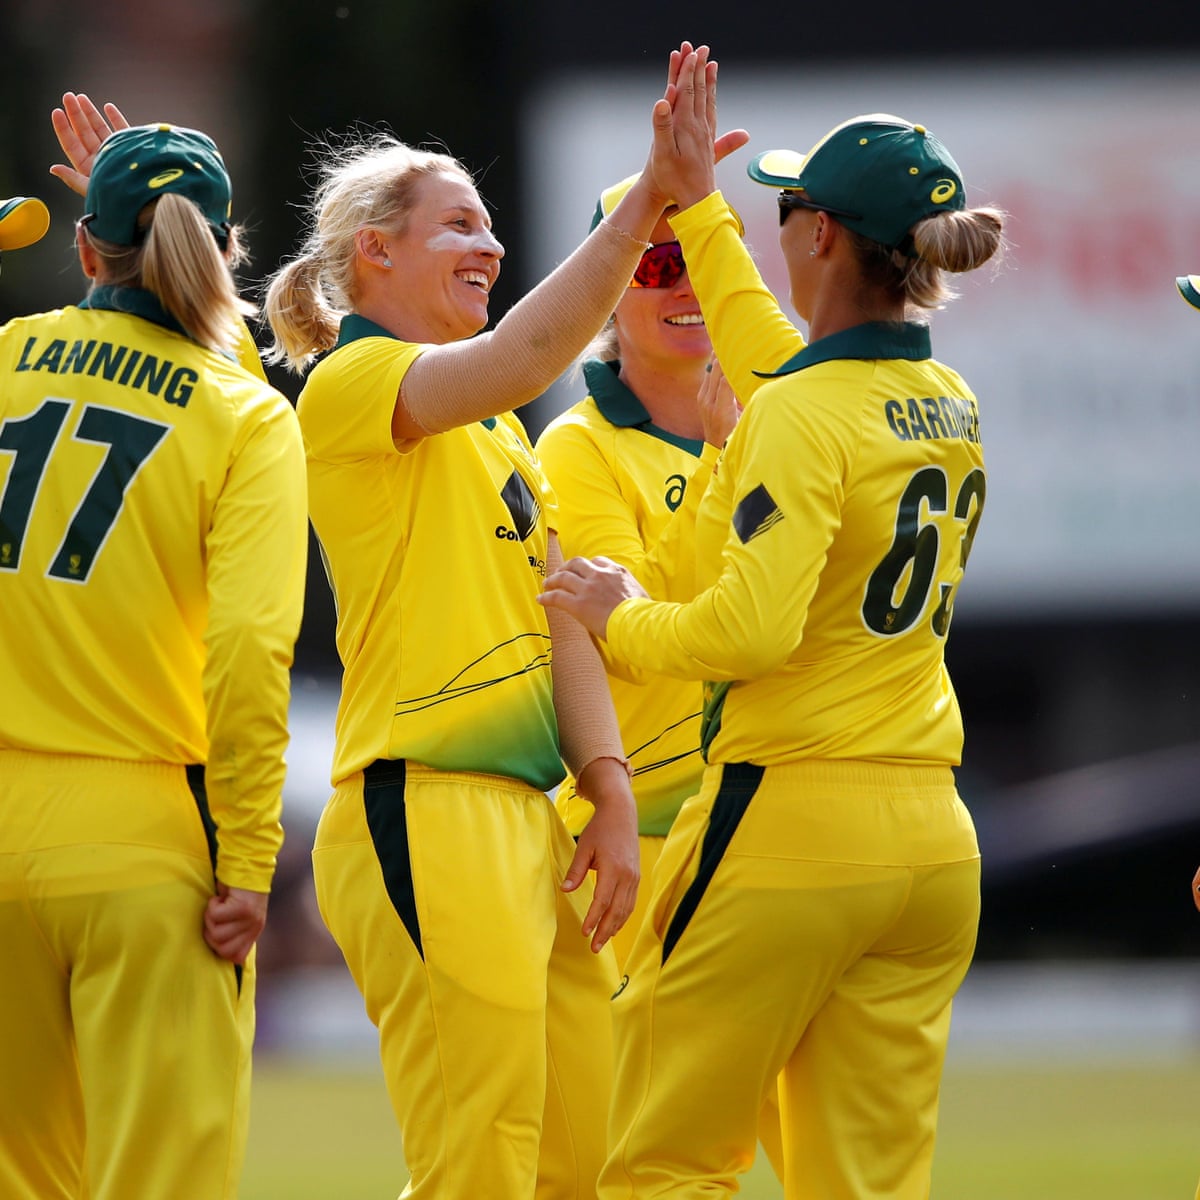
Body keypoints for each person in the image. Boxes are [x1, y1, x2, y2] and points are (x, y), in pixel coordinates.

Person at [261, 48, 747, 1200]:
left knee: (583, 1165)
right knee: (479, 1168)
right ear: (373, 252)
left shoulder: (499, 436)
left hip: (536, 823)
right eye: (458, 227)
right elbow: (530, 353)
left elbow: (566, 621)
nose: (489, 246)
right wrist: (649, 201)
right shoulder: (350, 383)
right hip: (422, 803)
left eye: (490, 227)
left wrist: (611, 787)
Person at [540, 45, 1006, 1199]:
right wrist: (695, 203)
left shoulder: (801, 410)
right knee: (866, 1183)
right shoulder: (947, 398)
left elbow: (748, 634)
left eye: (784, 209)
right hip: (934, 844)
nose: (773, 230)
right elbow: (776, 358)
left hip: (793, 819)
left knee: (661, 1161)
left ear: (823, 240)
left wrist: (623, 615)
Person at [0, 118, 308, 1200]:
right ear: (228, 251)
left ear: (85, 251)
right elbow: (247, 652)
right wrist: (248, 858)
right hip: (143, 845)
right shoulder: (247, 418)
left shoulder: (3, 357)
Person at [534, 173, 742, 968]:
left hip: (764, 825)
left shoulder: (779, 420)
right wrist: (726, 462)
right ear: (610, 291)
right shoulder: (578, 445)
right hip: (644, 839)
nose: (688, 286)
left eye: (705, 260)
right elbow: (625, 632)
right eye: (659, 267)